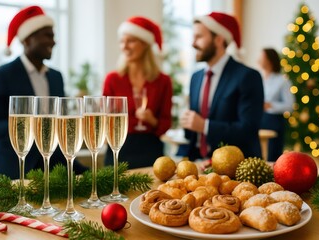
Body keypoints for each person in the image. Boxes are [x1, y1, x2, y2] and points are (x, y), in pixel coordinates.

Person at [0, 5, 87, 179]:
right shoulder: (0, 76)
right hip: (9, 174)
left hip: (50, 174)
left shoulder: (56, 77)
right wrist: (33, 124)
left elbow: (58, 129)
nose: (53, 42)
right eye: (48, 35)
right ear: (27, 40)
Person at [179, 12, 264, 160]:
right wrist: (187, 123)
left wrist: (204, 125)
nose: (193, 44)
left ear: (218, 39)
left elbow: (248, 130)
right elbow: (193, 132)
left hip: (236, 168)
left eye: (199, 37)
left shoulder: (248, 76)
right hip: (197, 165)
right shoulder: (196, 77)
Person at [103, 16, 173, 168]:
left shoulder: (163, 81)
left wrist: (151, 120)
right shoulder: (112, 79)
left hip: (150, 150)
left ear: (145, 44)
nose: (124, 46)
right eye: (122, 41)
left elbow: (166, 123)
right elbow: (104, 119)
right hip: (118, 148)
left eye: (131, 41)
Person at [258, 48, 294, 161]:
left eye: (261, 56)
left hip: (274, 121)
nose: (258, 59)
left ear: (269, 60)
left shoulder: (282, 81)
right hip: (259, 120)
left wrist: (270, 105)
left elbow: (290, 105)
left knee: (272, 156)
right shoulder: (258, 78)